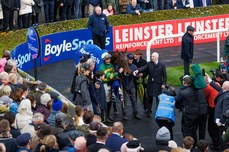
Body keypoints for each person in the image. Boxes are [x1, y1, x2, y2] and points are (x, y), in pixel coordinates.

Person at [133, 52, 167, 118]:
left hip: (158, 84)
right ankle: (149, 111)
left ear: (157, 57)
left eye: (153, 56)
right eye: (152, 56)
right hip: (150, 84)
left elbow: (164, 75)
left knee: (158, 99)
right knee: (149, 98)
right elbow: (143, 68)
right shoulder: (149, 64)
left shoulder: (162, 65)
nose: (152, 58)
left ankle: (158, 112)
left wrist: (163, 83)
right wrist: (137, 70)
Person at [175, 75, 199, 143]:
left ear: (184, 82)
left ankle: (188, 145)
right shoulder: (194, 89)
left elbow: (177, 100)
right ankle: (194, 145)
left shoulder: (182, 92)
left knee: (186, 131)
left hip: (188, 114)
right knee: (193, 131)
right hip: (196, 112)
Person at [99, 52, 122, 122]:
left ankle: (108, 115)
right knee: (106, 102)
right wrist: (118, 72)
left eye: (109, 59)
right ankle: (105, 117)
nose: (108, 60)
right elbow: (110, 76)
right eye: (106, 59)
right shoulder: (101, 67)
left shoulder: (111, 65)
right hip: (105, 85)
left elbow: (113, 74)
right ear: (103, 60)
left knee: (110, 101)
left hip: (111, 84)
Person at [122, 54, 141, 120]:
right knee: (124, 101)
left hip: (131, 86)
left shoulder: (134, 66)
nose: (130, 60)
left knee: (133, 101)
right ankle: (124, 114)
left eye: (131, 59)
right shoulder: (123, 66)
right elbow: (119, 75)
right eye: (129, 59)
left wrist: (135, 75)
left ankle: (136, 113)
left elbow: (138, 77)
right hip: (124, 86)